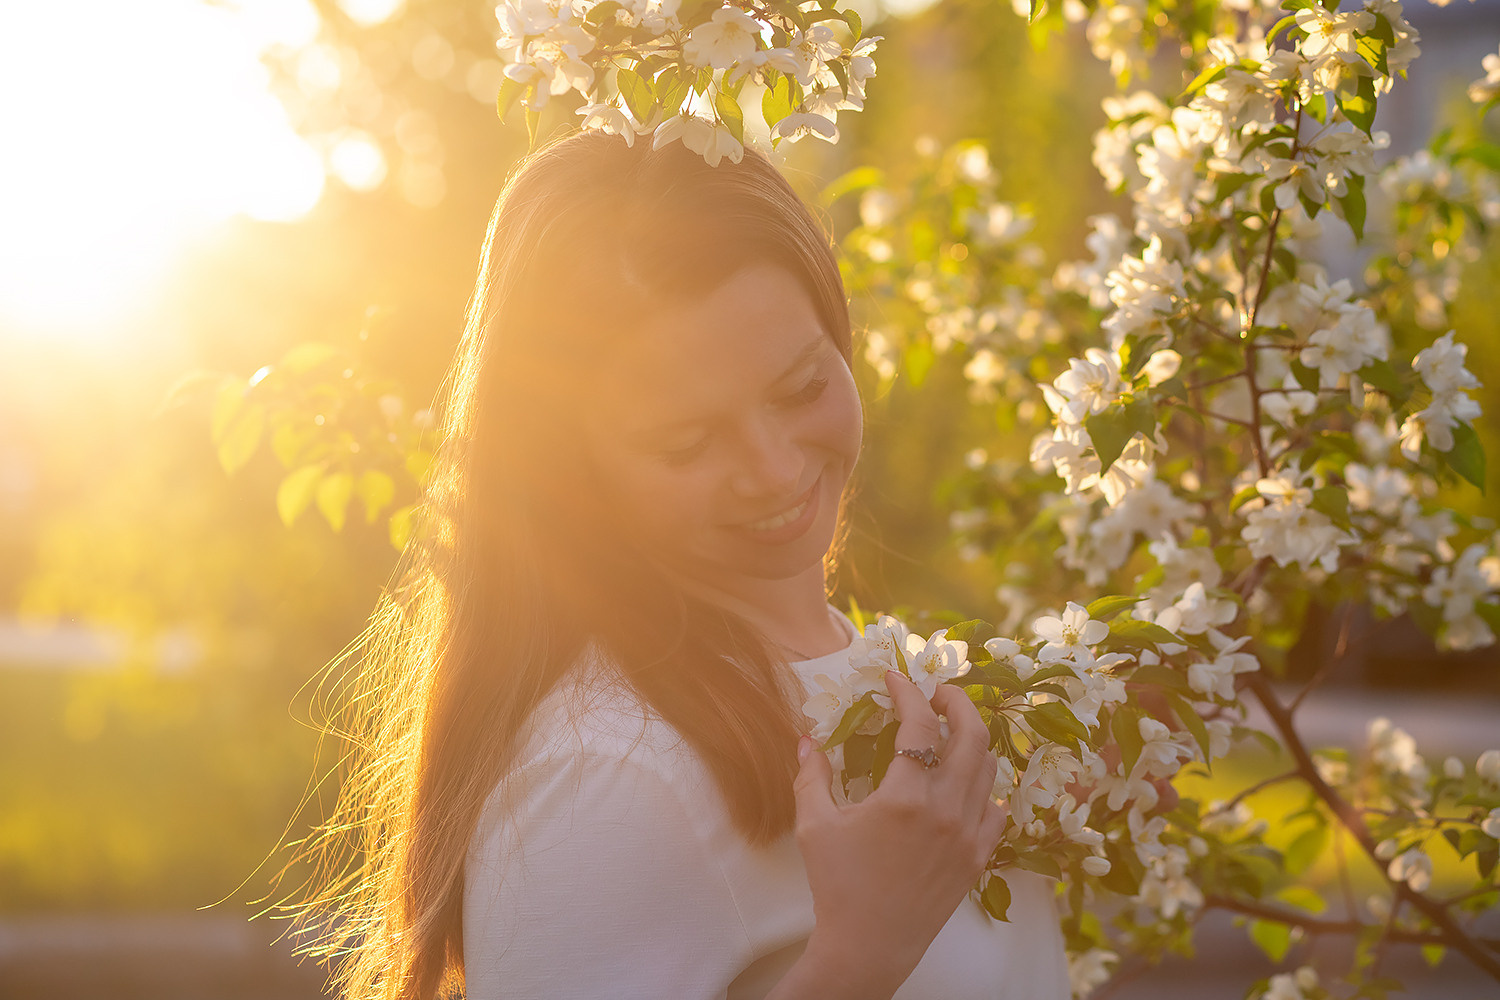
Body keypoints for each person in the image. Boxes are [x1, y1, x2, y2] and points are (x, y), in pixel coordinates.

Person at [288, 127, 1069, 1000]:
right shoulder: (608, 772)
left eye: (804, 386)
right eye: (688, 442)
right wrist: (860, 959)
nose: (773, 470)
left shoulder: (882, 671)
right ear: (571, 468)